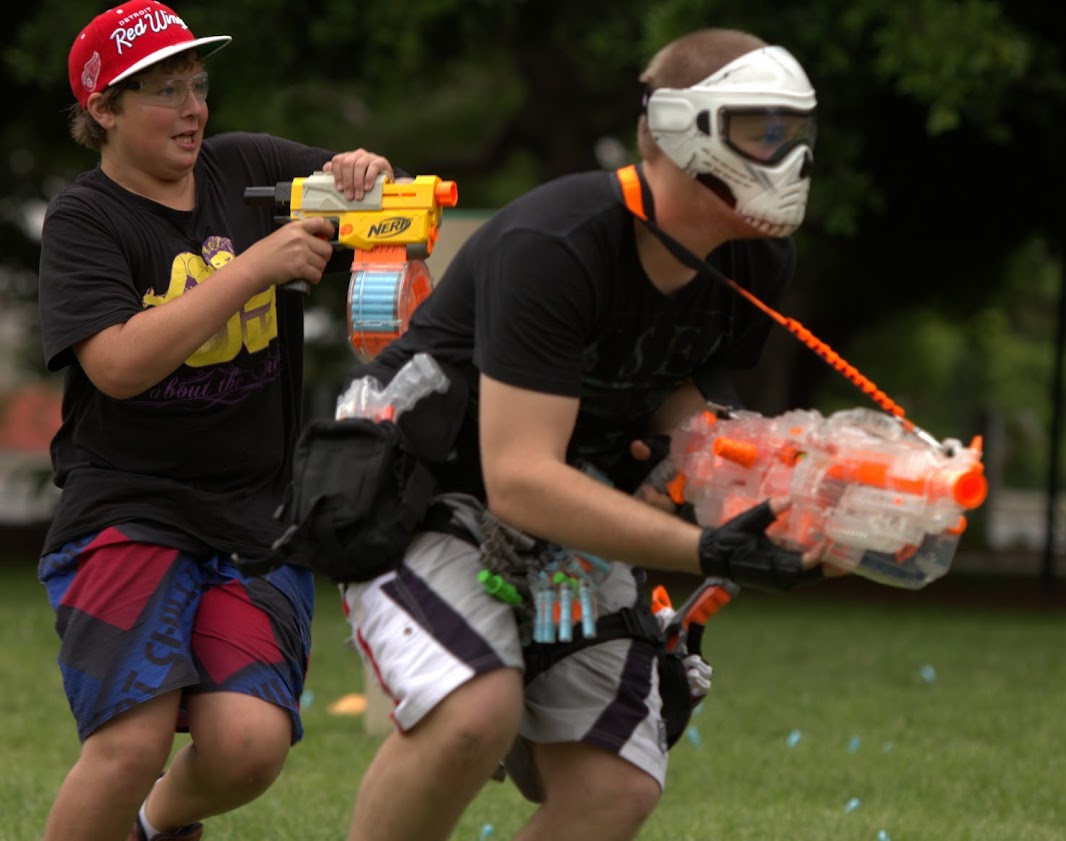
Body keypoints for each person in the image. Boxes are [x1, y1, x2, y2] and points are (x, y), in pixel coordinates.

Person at [331, 28, 829, 841]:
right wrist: (704, 547)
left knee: (615, 783)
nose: (789, 157)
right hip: (427, 492)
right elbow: (519, 476)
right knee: (472, 712)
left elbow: (682, 392)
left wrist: (798, 492)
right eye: (762, 132)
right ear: (682, 129)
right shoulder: (555, 241)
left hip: (574, 506)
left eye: (796, 133)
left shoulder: (757, 259)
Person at [35, 3, 394, 840]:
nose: (193, 107)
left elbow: (388, 212)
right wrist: (258, 265)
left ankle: (152, 828)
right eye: (165, 92)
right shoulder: (85, 220)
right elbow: (118, 365)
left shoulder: (253, 165)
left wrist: (370, 175)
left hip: (255, 518)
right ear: (104, 111)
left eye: (197, 85)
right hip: (126, 511)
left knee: (249, 745)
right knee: (130, 745)